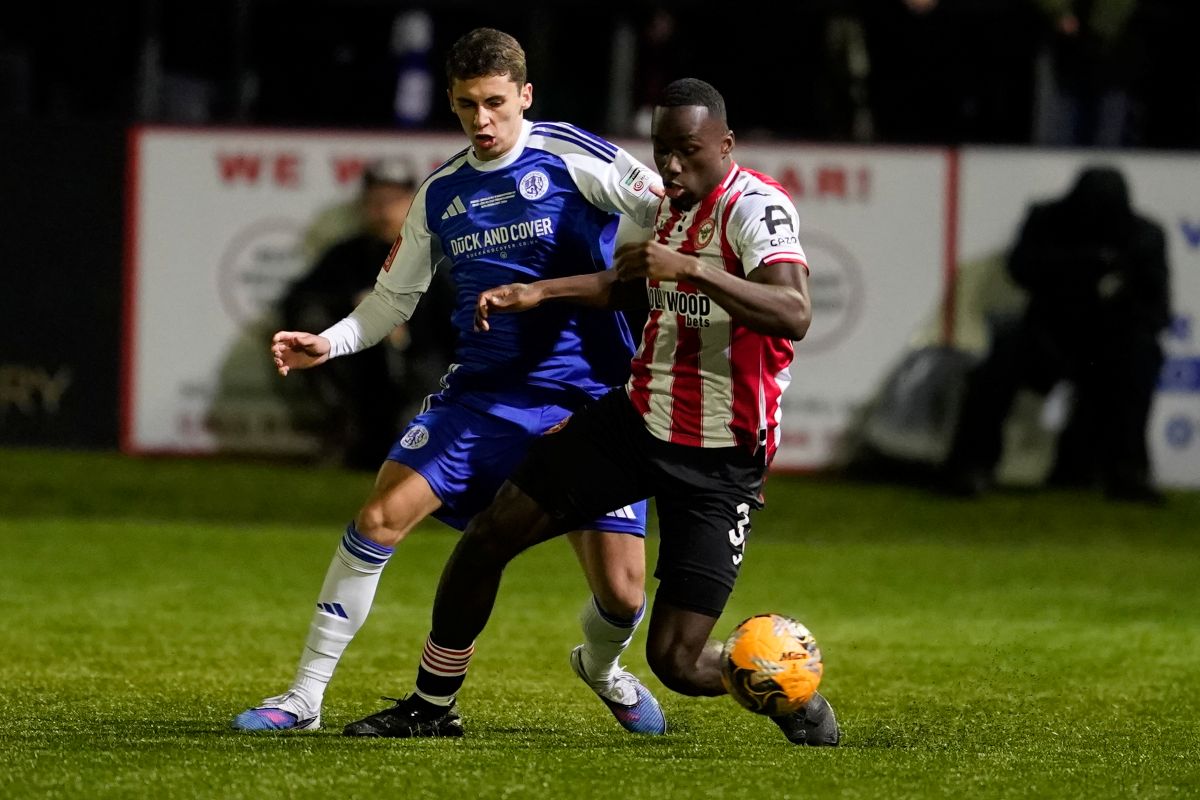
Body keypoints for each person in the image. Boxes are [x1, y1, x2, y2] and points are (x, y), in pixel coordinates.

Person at [344, 78, 841, 746]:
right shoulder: (672, 205)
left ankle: (786, 689)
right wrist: (539, 292)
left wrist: (691, 269)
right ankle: (431, 707)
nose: (670, 166)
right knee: (488, 536)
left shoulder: (756, 208)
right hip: (634, 424)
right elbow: (625, 283)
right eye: (662, 150)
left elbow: (795, 312)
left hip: (722, 459)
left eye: (687, 151)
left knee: (677, 660)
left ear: (724, 145)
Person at [232, 27, 669, 736]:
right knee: (377, 519)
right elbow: (389, 303)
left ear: (525, 95)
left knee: (622, 596)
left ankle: (601, 666)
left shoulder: (574, 156)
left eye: (496, 102)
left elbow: (672, 216)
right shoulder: (441, 192)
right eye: (467, 106)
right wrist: (330, 342)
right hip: (484, 397)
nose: (483, 121)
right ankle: (305, 696)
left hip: (589, 399)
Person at [942, 165, 1171, 502]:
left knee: (1141, 355)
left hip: (1108, 345)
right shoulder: (1047, 220)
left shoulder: (1144, 236)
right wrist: (1084, 264)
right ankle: (971, 467)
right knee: (1001, 354)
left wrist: (1119, 303)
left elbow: (1157, 310)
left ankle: (1128, 472)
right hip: (1049, 336)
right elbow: (1020, 268)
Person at [281, 158, 457, 469]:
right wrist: (350, 308)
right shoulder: (347, 256)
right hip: (363, 379)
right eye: (375, 201)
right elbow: (301, 302)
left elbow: (459, 326)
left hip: (425, 378)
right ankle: (345, 431)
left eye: (393, 200)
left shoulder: (439, 254)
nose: (383, 210)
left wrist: (409, 329)